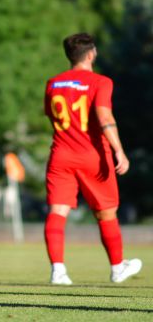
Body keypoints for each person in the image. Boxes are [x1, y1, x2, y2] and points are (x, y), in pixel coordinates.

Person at [43, 33, 142, 285]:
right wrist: (119, 149)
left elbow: (51, 116)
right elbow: (104, 117)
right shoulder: (100, 81)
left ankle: (58, 271)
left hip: (60, 154)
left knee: (57, 211)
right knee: (106, 214)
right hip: (92, 155)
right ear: (91, 54)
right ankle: (117, 267)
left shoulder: (53, 83)